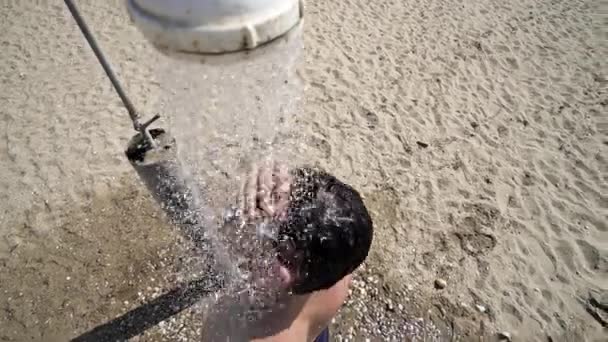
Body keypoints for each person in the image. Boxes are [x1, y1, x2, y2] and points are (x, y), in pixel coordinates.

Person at [201, 160, 374, 342]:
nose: (264, 233)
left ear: (288, 275)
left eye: (279, 249)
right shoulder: (337, 265)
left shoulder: (237, 331)